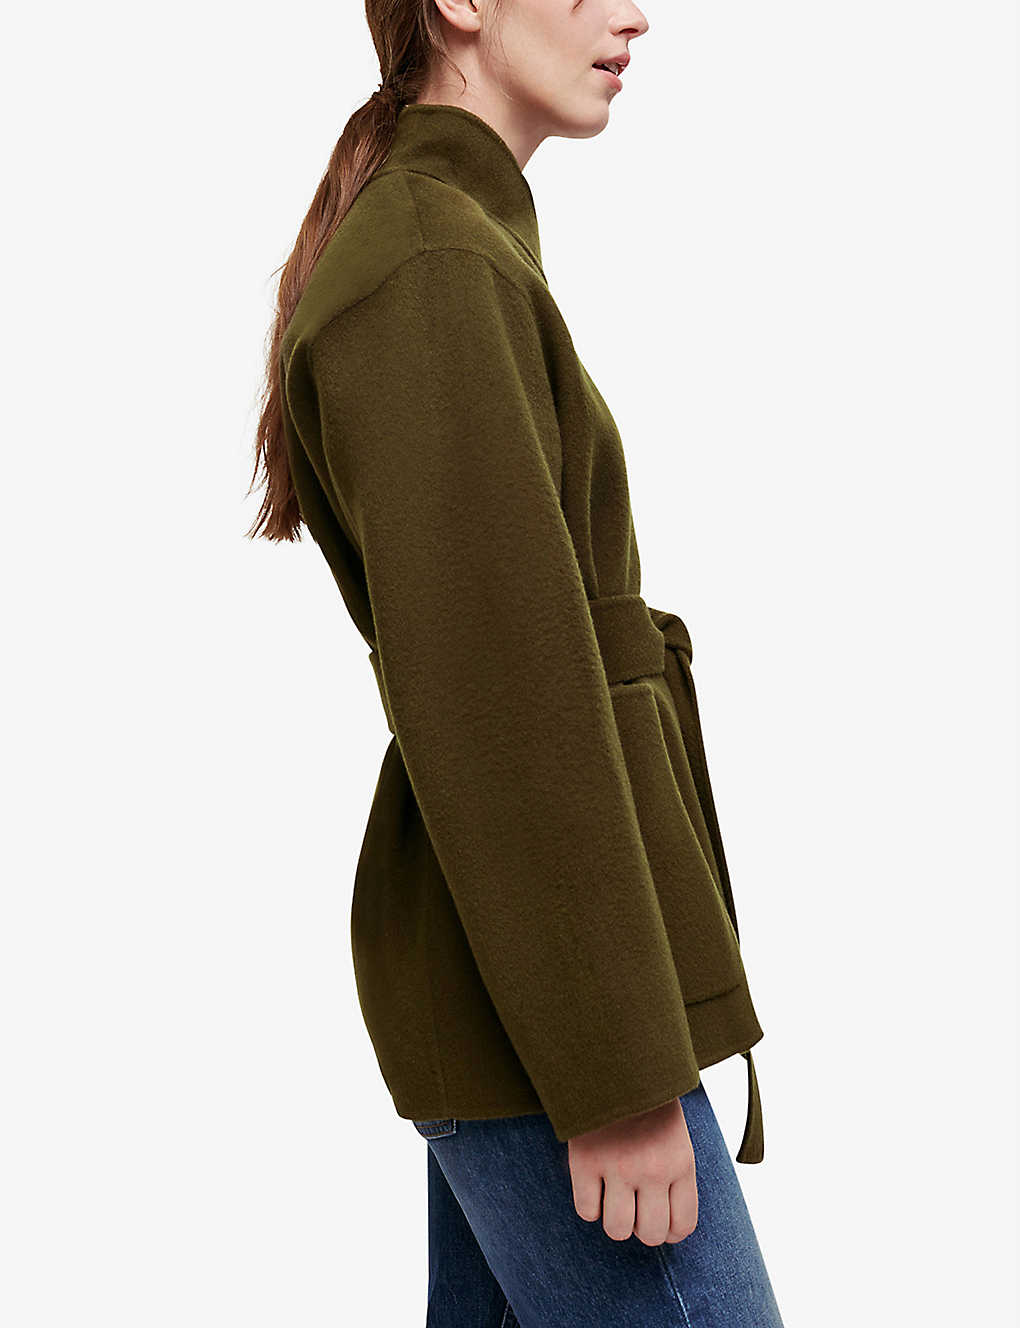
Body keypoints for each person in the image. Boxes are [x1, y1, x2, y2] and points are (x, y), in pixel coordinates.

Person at [248, 2, 784, 1324]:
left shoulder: (452, 245)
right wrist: (615, 1077)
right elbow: (502, 701)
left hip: (531, 993)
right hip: (556, 1022)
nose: (634, 13)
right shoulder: (431, 265)